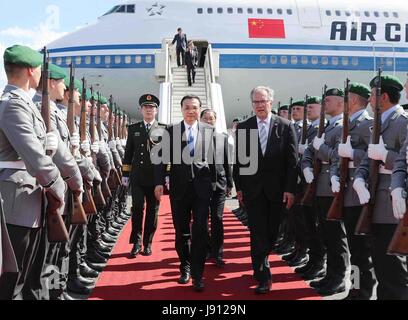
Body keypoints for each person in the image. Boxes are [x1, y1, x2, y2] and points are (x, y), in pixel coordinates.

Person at [0, 45, 66, 299]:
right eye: (38, 68)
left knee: (26, 276)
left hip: (29, 198)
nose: (40, 73)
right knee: (12, 281)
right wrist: (59, 187)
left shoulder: (23, 104)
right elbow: (36, 161)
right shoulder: (14, 105)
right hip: (17, 203)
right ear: (30, 70)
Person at [233, 86, 298, 294]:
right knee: (257, 232)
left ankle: (262, 258)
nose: (260, 106)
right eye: (256, 102)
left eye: (263, 101)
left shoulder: (286, 126)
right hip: (253, 191)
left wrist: (290, 189)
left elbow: (292, 162)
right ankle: (263, 274)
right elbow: (240, 162)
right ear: (252, 104)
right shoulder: (244, 127)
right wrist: (239, 187)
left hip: (277, 190)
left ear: (271, 102)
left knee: (271, 232)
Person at [154, 95, 216, 292]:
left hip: (202, 189)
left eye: (195, 107)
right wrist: (158, 182)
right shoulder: (170, 131)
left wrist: (216, 186)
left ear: (199, 110)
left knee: (200, 230)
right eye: (187, 107)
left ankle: (198, 275)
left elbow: (214, 161)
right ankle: (185, 267)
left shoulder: (208, 130)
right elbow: (161, 160)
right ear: (181, 109)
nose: (191, 111)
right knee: (181, 233)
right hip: (179, 190)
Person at [355, 75, 408, 299]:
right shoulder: (378, 122)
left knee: (393, 267)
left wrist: (386, 156)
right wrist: (359, 178)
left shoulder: (401, 121)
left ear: (383, 96)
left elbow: (403, 160)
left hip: (392, 205)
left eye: (373, 94)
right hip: (374, 202)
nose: (369, 99)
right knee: (379, 261)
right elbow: (368, 157)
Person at [329, 83, 375, 300]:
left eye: (346, 99)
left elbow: (371, 156)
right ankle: (355, 289)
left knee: (361, 250)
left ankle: (363, 290)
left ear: (354, 100)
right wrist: (335, 174)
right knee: (355, 249)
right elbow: (340, 155)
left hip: (360, 195)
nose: (343, 104)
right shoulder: (348, 124)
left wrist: (353, 154)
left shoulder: (367, 124)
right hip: (347, 194)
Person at [302, 88, 349, 296]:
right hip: (319, 186)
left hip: (333, 187)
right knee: (325, 233)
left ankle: (339, 277)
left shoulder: (342, 126)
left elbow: (339, 157)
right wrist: (306, 166)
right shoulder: (327, 126)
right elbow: (311, 151)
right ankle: (329, 274)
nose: (325, 103)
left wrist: (321, 150)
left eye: (328, 100)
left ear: (340, 103)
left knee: (336, 236)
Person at [122, 94, 167, 258]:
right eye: (146, 107)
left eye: (152, 107)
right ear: (141, 110)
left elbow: (166, 155)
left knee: (152, 212)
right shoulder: (134, 129)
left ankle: (148, 243)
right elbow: (128, 153)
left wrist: (166, 175)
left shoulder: (163, 128)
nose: (149, 109)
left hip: (155, 178)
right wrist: (125, 173)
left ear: (156, 110)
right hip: (138, 177)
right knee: (137, 209)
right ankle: (136, 242)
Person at [200, 109, 233, 267]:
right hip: (201, 184)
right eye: (205, 118)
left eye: (211, 118)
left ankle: (217, 253)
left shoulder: (223, 137)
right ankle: (206, 250)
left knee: (217, 219)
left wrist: (230, 183)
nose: (208, 121)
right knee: (203, 219)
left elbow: (227, 162)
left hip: (219, 183)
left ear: (215, 120)